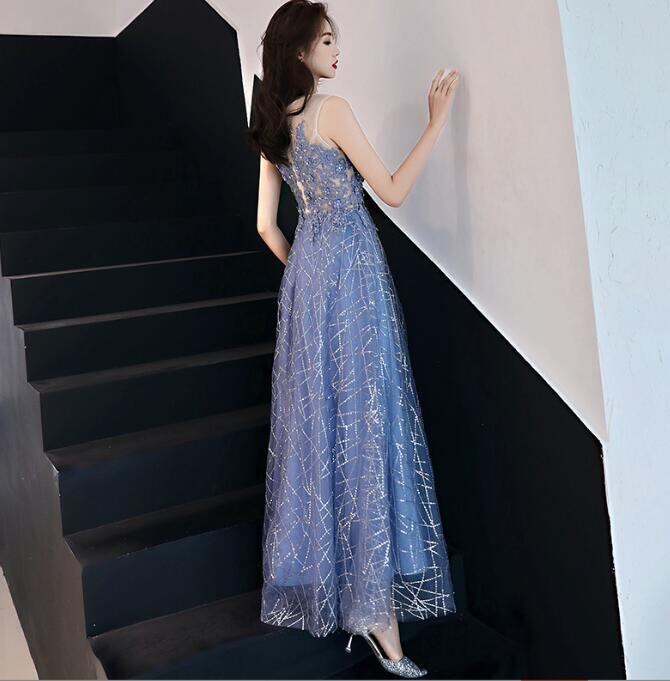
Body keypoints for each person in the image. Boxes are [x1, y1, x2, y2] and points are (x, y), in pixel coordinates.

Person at [248, 1, 460, 677]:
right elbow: (391, 191)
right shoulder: (329, 112)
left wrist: (305, 277)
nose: (337, 49)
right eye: (326, 40)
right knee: (367, 426)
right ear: (300, 51)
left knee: (324, 431)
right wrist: (436, 124)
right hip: (355, 283)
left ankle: (358, 601)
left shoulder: (271, 126)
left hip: (309, 286)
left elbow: (266, 227)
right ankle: (376, 616)